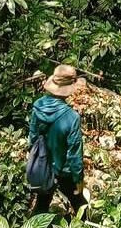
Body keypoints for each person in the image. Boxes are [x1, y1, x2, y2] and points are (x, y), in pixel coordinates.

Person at [29, 65, 87, 215]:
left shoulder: (37, 107)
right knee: (81, 206)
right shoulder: (72, 117)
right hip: (64, 172)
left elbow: (33, 139)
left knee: (41, 207)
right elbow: (75, 153)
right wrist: (79, 180)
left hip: (44, 167)